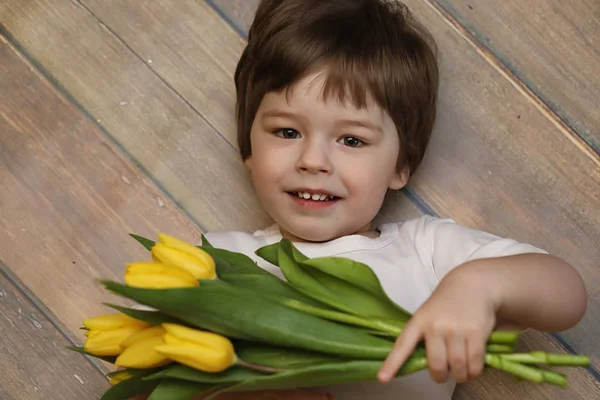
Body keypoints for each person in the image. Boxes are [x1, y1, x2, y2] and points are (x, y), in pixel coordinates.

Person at [134, 0, 587, 399]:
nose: (313, 159)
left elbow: (567, 295)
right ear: (249, 149)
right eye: (287, 132)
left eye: (352, 140)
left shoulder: (427, 254)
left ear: (399, 166)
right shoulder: (213, 264)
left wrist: (477, 289)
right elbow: (137, 381)